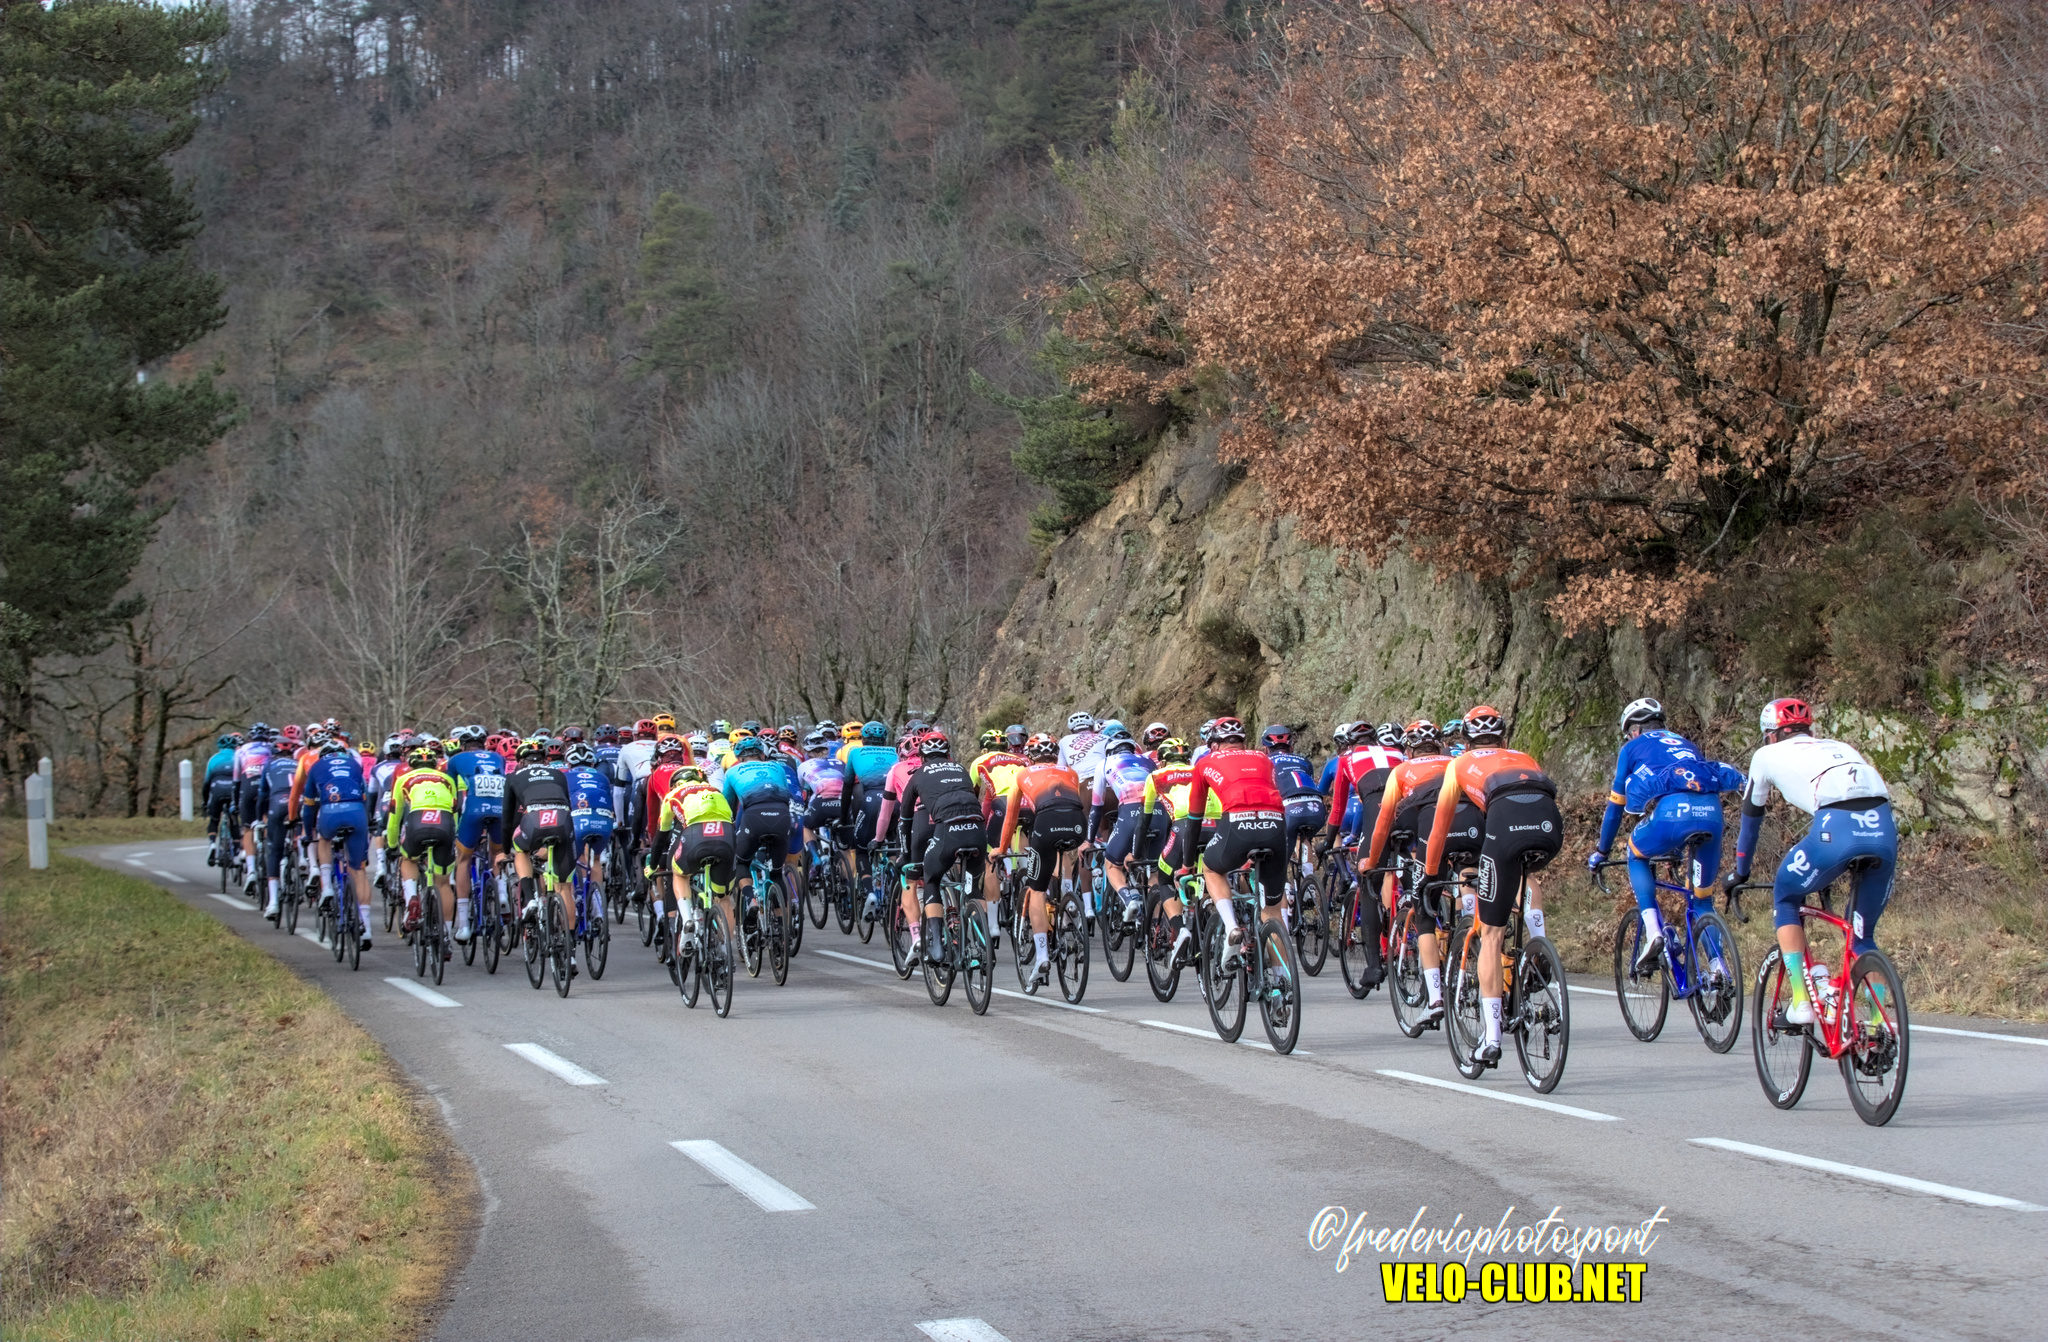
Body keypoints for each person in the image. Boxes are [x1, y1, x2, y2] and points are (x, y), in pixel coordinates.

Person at [1727, 697, 1897, 1027]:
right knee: (1863, 939)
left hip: (1836, 828)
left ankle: (1802, 1002)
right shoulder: (1841, 747)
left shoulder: (1765, 754)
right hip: (1884, 830)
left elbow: (1751, 819)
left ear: (1771, 735)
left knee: (1786, 895)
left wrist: (1740, 871)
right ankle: (1878, 1029)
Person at [1420, 706, 1564, 1066]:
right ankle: (1536, 946)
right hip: (1549, 827)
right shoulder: (1522, 755)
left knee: (1492, 934)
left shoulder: (1458, 765)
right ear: (1503, 740)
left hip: (1505, 823)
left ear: (1465, 743)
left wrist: (1431, 874)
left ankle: (1491, 1038)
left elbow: (1439, 829)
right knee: (1525, 876)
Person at [1587, 698, 1746, 975]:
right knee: (1703, 900)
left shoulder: (1632, 747)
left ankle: (1653, 932)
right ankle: (1719, 969)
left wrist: (1602, 852)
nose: (1629, 737)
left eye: (1628, 732)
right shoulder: (1685, 743)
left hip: (1673, 814)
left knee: (1636, 852)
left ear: (1635, 729)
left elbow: (1615, 809)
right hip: (1712, 813)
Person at [1360, 721, 1456, 1020]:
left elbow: (1383, 823)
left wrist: (1372, 861)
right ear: (1439, 744)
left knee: (1423, 908)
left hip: (1423, 829)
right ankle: (1468, 924)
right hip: (1469, 828)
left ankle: (1435, 999)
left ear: (1409, 749)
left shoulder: (1401, 771)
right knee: (1469, 878)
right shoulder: (1456, 763)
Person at [1176, 717, 1286, 967]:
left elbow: (1194, 818)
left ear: (1213, 746)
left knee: (1212, 869)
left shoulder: (1205, 763)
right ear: (1243, 742)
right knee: (1272, 912)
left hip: (1237, 822)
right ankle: (1282, 986)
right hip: (1275, 823)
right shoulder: (1263, 758)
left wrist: (1187, 863)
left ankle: (1232, 927)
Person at [885, 731, 989, 962]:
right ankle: (983, 945)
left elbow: (905, 819)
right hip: (977, 831)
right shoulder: (961, 769)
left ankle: (935, 948)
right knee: (972, 889)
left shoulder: (918, 775)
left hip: (946, 831)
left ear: (922, 757)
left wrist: (904, 854)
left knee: (931, 879)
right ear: (949, 754)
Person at [998, 733, 1088, 986]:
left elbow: (1011, 818)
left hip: (1045, 823)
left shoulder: (1021, 775)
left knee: (1037, 890)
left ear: (1029, 756)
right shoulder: (1070, 771)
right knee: (1064, 853)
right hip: (1077, 824)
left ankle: (1041, 956)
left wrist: (1002, 848)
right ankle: (1068, 899)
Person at [293, 735, 376, 950]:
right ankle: (366, 928)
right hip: (357, 813)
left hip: (330, 813)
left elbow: (309, 806)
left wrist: (308, 832)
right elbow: (365, 798)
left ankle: (328, 887)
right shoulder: (355, 764)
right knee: (358, 870)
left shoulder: (316, 766)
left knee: (323, 840)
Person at [503, 737, 577, 973]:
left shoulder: (514, 777)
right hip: (562, 820)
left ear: (520, 761)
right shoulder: (558, 774)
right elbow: (567, 804)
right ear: (545, 759)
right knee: (565, 887)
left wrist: (505, 848)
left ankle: (531, 899)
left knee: (521, 850)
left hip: (534, 819)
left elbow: (508, 819)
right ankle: (571, 951)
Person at [654, 765, 737, 960]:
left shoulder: (672, 795)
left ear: (676, 783)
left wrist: (652, 866)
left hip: (695, 836)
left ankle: (688, 919)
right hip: (725, 835)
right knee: (724, 897)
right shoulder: (715, 791)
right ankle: (726, 952)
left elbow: (661, 836)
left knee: (679, 874)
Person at [387, 744, 458, 952]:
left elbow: (394, 816)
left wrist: (392, 844)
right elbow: (455, 815)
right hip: (444, 824)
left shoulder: (403, 779)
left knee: (407, 859)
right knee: (443, 882)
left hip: (418, 821)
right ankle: (445, 937)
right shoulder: (447, 780)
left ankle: (412, 901)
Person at [1083, 725, 1156, 921]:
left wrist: (1089, 840)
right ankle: (1157, 927)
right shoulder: (1148, 761)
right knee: (1155, 869)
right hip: (1159, 813)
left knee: (1112, 864)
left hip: (1131, 812)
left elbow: (1096, 807)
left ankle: (1128, 898)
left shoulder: (1104, 763)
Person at [1139, 737, 1198, 961]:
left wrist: (1135, 853)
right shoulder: (1199, 769)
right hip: (1217, 825)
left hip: (1184, 826)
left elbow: (1145, 820)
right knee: (1212, 873)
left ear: (1162, 761)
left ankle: (1181, 928)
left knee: (1164, 878)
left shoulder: (1155, 776)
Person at [446, 725, 507, 940]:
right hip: (500, 810)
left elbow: (452, 797)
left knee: (463, 859)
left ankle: (463, 926)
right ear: (484, 744)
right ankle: (502, 894)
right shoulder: (498, 758)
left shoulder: (454, 760)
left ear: (463, 745)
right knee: (498, 853)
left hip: (473, 809)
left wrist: (454, 824)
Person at [564, 743, 616, 923]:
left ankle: (573, 904)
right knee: (594, 859)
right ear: (592, 762)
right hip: (603, 820)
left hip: (579, 820)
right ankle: (598, 909)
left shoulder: (565, 776)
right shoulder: (601, 777)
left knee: (568, 862)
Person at [203, 733, 241, 862]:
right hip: (232, 791)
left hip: (216, 790)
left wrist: (204, 802)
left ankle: (213, 844)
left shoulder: (213, 759)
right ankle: (236, 853)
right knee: (234, 820)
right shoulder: (238, 757)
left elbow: (206, 784)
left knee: (214, 820)